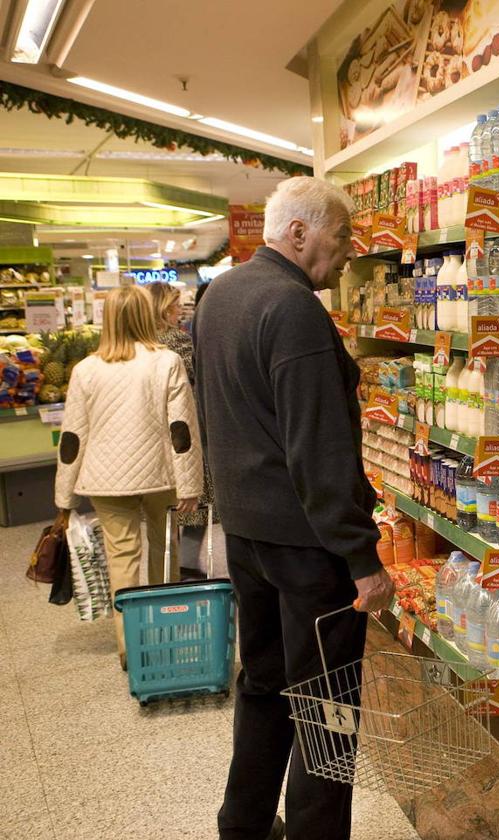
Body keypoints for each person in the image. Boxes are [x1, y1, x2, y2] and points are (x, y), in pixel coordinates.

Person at [193, 176, 394, 840]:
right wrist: (361, 558)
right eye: (342, 237)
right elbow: (321, 449)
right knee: (326, 708)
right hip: (309, 550)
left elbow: (220, 414)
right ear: (300, 232)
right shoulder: (294, 308)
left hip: (247, 536)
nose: (347, 252)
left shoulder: (219, 295)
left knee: (263, 684)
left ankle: (242, 823)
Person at [53, 284, 203, 669]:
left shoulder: (84, 370)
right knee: (164, 551)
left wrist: (64, 499)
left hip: (105, 480)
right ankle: (163, 633)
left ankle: (129, 646)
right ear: (144, 315)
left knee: (122, 557)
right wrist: (190, 485)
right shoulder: (166, 361)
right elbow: (182, 431)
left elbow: (72, 438)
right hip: (160, 475)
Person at [147, 281, 216, 577]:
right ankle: (188, 571)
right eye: (175, 305)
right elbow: (195, 384)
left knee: (161, 518)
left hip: (151, 437)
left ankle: (165, 575)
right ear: (164, 308)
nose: (179, 310)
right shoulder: (178, 341)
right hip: (185, 432)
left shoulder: (137, 344)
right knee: (193, 509)